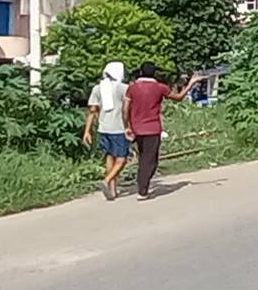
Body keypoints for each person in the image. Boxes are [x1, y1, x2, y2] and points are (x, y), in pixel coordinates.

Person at [124, 62, 191, 199]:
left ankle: (142, 185)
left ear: (141, 72)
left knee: (143, 157)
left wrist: (127, 126)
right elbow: (178, 97)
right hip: (152, 128)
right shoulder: (160, 87)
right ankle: (142, 189)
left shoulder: (132, 88)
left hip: (137, 128)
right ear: (154, 73)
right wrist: (191, 84)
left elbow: (125, 109)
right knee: (150, 161)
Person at [82, 61, 131, 199]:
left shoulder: (97, 88)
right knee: (122, 159)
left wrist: (87, 131)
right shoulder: (123, 88)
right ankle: (107, 180)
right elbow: (127, 109)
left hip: (103, 128)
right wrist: (130, 126)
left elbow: (92, 111)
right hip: (119, 128)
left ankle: (112, 190)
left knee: (110, 156)